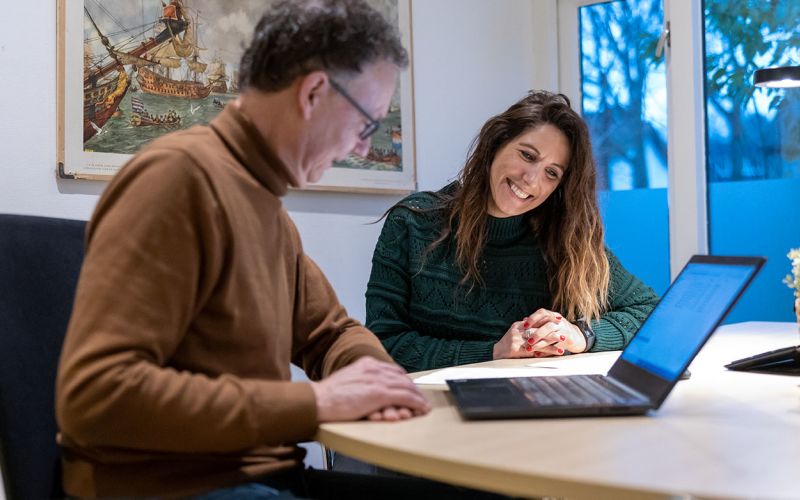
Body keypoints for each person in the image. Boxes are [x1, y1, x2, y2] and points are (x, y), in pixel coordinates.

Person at [53, 1, 468, 498]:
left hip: (251, 475)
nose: (362, 148)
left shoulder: (263, 203)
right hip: (175, 484)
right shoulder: (179, 180)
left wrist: (374, 379)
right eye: (365, 125)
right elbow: (99, 396)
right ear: (314, 92)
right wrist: (314, 402)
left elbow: (329, 332)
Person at [366, 90, 660, 372]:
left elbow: (652, 312)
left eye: (552, 173)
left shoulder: (565, 241)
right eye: (528, 156)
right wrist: (493, 351)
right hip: (426, 409)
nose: (531, 180)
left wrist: (581, 335)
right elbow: (382, 344)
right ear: (496, 143)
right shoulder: (412, 223)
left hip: (532, 409)